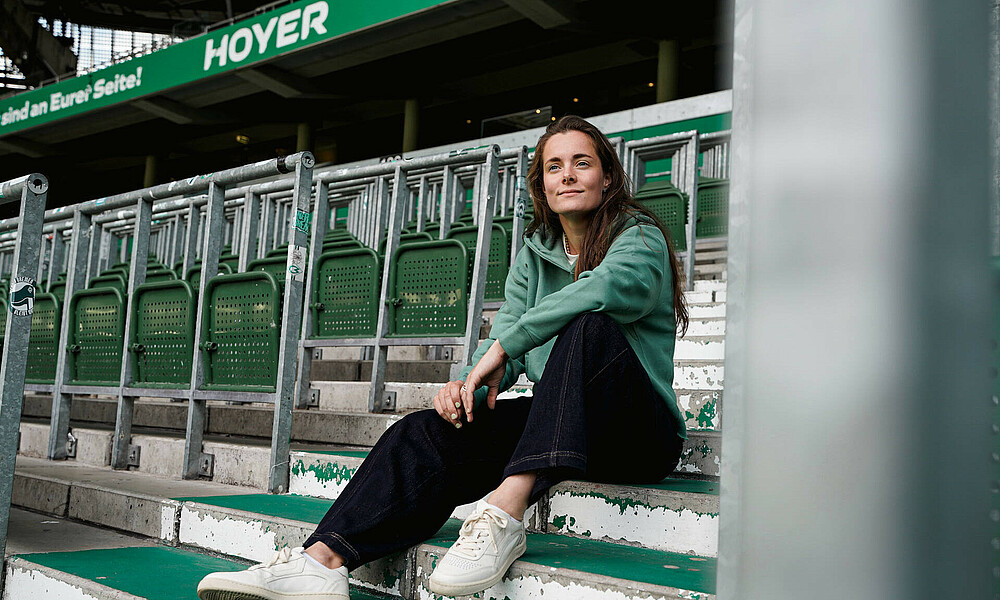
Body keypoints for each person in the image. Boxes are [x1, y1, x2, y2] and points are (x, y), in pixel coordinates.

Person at [196, 115, 690, 600]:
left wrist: (506, 347)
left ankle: (504, 512)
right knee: (424, 430)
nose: (567, 175)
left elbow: (600, 291)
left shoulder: (639, 236)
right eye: (554, 166)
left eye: (582, 163)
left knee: (589, 326)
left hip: (638, 435)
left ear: (607, 176)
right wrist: (465, 385)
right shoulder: (534, 253)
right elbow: (505, 334)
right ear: (541, 184)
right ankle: (321, 562)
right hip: (564, 429)